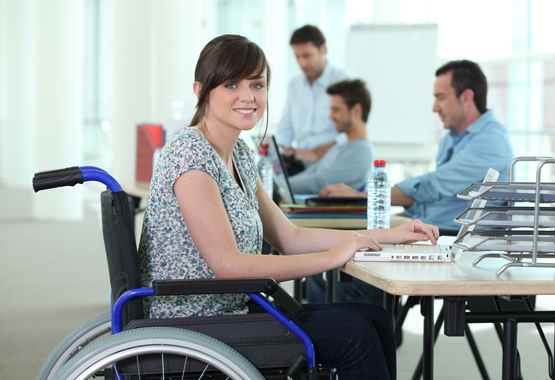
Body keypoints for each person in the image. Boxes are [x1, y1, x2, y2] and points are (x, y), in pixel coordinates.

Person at [137, 34, 440, 380]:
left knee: (376, 319)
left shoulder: (238, 154)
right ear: (200, 90)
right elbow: (228, 266)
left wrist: (388, 234)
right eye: (231, 84)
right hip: (192, 323)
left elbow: (289, 236)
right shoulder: (190, 154)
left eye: (257, 84)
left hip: (230, 309)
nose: (248, 96)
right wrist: (332, 257)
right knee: (355, 338)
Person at [312, 60, 514, 304]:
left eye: (440, 97)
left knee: (342, 279)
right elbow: (437, 197)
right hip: (435, 235)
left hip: (460, 245)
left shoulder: (491, 141)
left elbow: (432, 185)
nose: (434, 107)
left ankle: (368, 338)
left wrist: (364, 196)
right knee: (331, 262)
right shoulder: (453, 138)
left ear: (466, 97)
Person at [276, 25, 353, 173]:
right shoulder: (294, 84)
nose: (302, 63)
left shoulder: (344, 81)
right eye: (297, 56)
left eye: (307, 55)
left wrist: (316, 153)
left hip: (332, 165)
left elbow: (352, 133)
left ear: (323, 49)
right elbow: (284, 131)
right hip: (301, 166)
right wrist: (281, 153)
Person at [288, 79, 374, 194]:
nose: (330, 116)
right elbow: (309, 175)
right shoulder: (339, 148)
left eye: (336, 110)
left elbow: (318, 183)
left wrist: (276, 187)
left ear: (356, 110)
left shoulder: (361, 150)